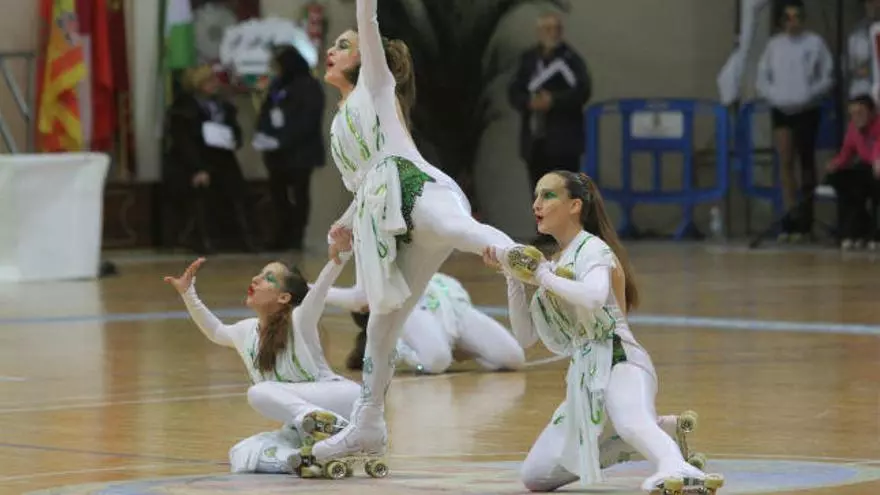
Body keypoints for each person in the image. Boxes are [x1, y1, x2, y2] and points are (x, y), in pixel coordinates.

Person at [306, 0, 540, 469]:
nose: (332, 49)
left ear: (366, 57)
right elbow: (364, 183)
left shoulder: (376, 85)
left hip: (417, 186)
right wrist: (345, 223)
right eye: (333, 44)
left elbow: (368, 18)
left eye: (343, 44)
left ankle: (519, 259)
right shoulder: (339, 120)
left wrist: (363, 13)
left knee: (454, 226)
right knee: (382, 325)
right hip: (384, 218)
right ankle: (368, 424)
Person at [483, 171, 723, 493]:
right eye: (536, 196)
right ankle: (660, 435)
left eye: (548, 195)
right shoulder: (556, 262)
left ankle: (678, 468)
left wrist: (541, 276)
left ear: (575, 206)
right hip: (585, 377)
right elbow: (525, 338)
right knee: (536, 475)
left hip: (619, 359)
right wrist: (512, 278)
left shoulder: (593, 250)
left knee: (632, 422)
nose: (536, 204)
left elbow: (594, 296)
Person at [162, 251, 360, 477]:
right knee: (241, 453)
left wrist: (339, 257)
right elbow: (216, 331)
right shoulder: (247, 331)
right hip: (303, 424)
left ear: (284, 297)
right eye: (259, 274)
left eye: (268, 278)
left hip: (342, 401)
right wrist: (188, 293)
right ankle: (305, 461)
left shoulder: (300, 320)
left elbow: (319, 291)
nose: (255, 279)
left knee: (259, 392)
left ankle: (323, 424)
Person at [325, 272, 526, 374]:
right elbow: (354, 297)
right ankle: (447, 350)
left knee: (514, 358)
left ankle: (459, 348)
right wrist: (311, 289)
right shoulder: (382, 291)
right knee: (437, 360)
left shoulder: (438, 277)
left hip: (455, 309)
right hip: (414, 309)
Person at [508, 12, 591, 244]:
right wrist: (528, 102)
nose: (550, 33)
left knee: (565, 189)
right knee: (539, 188)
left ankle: (567, 234)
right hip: (535, 138)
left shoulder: (570, 60)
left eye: (555, 29)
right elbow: (514, 91)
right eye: (546, 29)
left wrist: (553, 101)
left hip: (563, 139)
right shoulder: (528, 59)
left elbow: (582, 90)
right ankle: (544, 232)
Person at [755, 0, 834, 242]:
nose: (793, 22)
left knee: (806, 161)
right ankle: (790, 217)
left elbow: (828, 75)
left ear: (803, 19)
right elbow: (762, 77)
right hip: (781, 109)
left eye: (797, 17)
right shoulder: (774, 45)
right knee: (786, 161)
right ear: (781, 22)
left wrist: (811, 93)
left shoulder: (815, 43)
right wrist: (772, 95)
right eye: (788, 18)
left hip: (806, 109)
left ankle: (806, 220)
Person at [162, 65, 257, 253]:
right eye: (209, 81)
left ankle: (243, 239)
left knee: (238, 193)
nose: (214, 84)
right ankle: (202, 240)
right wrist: (197, 168)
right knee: (201, 195)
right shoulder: (183, 108)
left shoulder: (222, 106)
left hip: (222, 159)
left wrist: (233, 139)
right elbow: (183, 142)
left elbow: (234, 130)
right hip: (195, 161)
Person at [253, 45, 325, 251]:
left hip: (300, 153)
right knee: (278, 195)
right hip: (276, 154)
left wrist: (284, 139)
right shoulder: (278, 85)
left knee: (299, 195)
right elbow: (266, 110)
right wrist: (264, 133)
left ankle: (296, 236)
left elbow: (308, 120)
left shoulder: (309, 86)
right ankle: (280, 234)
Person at [825, 94, 880, 250]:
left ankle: (875, 234)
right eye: (853, 114)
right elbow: (846, 152)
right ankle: (852, 232)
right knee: (841, 180)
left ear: (872, 112)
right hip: (866, 169)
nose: (856, 118)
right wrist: (835, 164)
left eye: (860, 113)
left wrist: (877, 160)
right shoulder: (852, 128)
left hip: (876, 168)